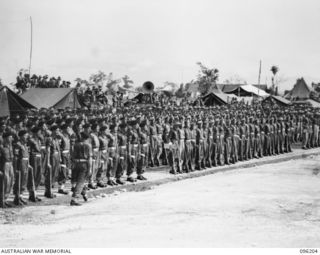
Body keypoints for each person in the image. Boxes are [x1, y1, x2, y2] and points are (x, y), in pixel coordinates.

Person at [70, 132, 92, 206]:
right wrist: (90, 168)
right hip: (84, 164)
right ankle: (74, 199)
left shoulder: (76, 145)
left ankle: (84, 193)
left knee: (78, 181)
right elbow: (89, 158)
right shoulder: (88, 145)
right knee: (81, 181)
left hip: (76, 163)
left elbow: (72, 155)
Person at [0, 132, 15, 208]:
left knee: (10, 182)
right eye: (10, 137)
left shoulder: (10, 146)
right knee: (4, 183)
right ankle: (1, 200)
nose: (11, 139)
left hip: (10, 164)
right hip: (4, 165)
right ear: (5, 138)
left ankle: (5, 199)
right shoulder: (1, 147)